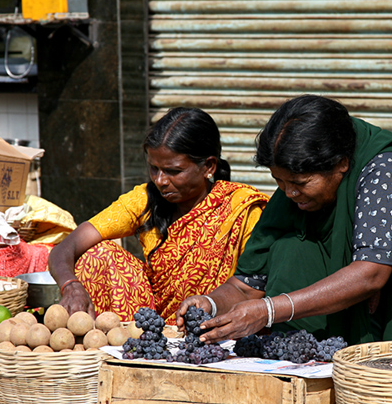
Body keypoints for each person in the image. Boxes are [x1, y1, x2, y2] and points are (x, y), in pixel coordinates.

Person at [178, 95, 392, 346]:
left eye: (299, 183)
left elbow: (371, 272)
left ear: (341, 164)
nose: (288, 193)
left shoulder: (384, 171)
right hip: (370, 306)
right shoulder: (291, 195)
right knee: (288, 246)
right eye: (280, 182)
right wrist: (209, 303)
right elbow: (246, 284)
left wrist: (269, 311)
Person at [49, 107, 269, 321]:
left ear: (208, 166)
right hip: (151, 327)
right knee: (99, 255)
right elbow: (66, 247)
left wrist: (210, 304)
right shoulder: (145, 199)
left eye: (174, 171)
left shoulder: (241, 209)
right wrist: (71, 285)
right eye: (154, 168)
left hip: (214, 323)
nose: (161, 180)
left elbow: (251, 288)